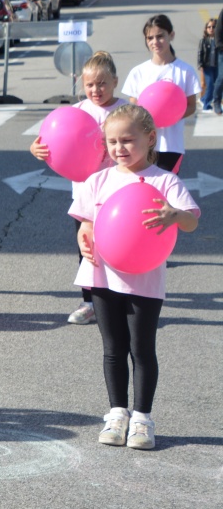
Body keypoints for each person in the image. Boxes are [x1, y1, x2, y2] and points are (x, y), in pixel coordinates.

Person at [69, 105, 199, 450]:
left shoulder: (165, 180)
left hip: (144, 277)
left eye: (128, 140)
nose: (119, 148)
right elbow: (86, 222)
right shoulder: (98, 179)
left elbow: (191, 221)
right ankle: (116, 413)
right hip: (101, 274)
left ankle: (142, 419)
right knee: (113, 348)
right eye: (112, 141)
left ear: (151, 139)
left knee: (141, 349)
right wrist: (84, 234)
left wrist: (175, 215)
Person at [30, 51, 127, 326]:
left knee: (116, 249)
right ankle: (89, 303)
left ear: (115, 81)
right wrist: (36, 148)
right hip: (85, 196)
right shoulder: (79, 110)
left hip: (118, 195)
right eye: (90, 85)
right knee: (87, 250)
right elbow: (53, 139)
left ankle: (119, 301)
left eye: (102, 83)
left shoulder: (125, 110)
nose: (96, 90)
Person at [122, 14, 199, 173]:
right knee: (144, 188)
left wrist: (171, 116)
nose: (155, 42)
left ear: (171, 35)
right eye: (150, 38)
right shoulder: (139, 72)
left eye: (160, 36)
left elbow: (191, 106)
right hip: (143, 144)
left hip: (171, 145)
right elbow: (134, 107)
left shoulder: (185, 71)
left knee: (166, 192)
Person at [196, 19, 217, 113]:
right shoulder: (203, 41)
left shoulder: (219, 40)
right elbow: (200, 53)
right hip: (207, 66)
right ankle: (206, 105)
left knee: (217, 85)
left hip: (217, 66)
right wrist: (200, 64)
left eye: (213, 27)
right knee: (210, 85)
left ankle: (203, 99)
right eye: (209, 27)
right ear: (206, 29)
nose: (211, 29)